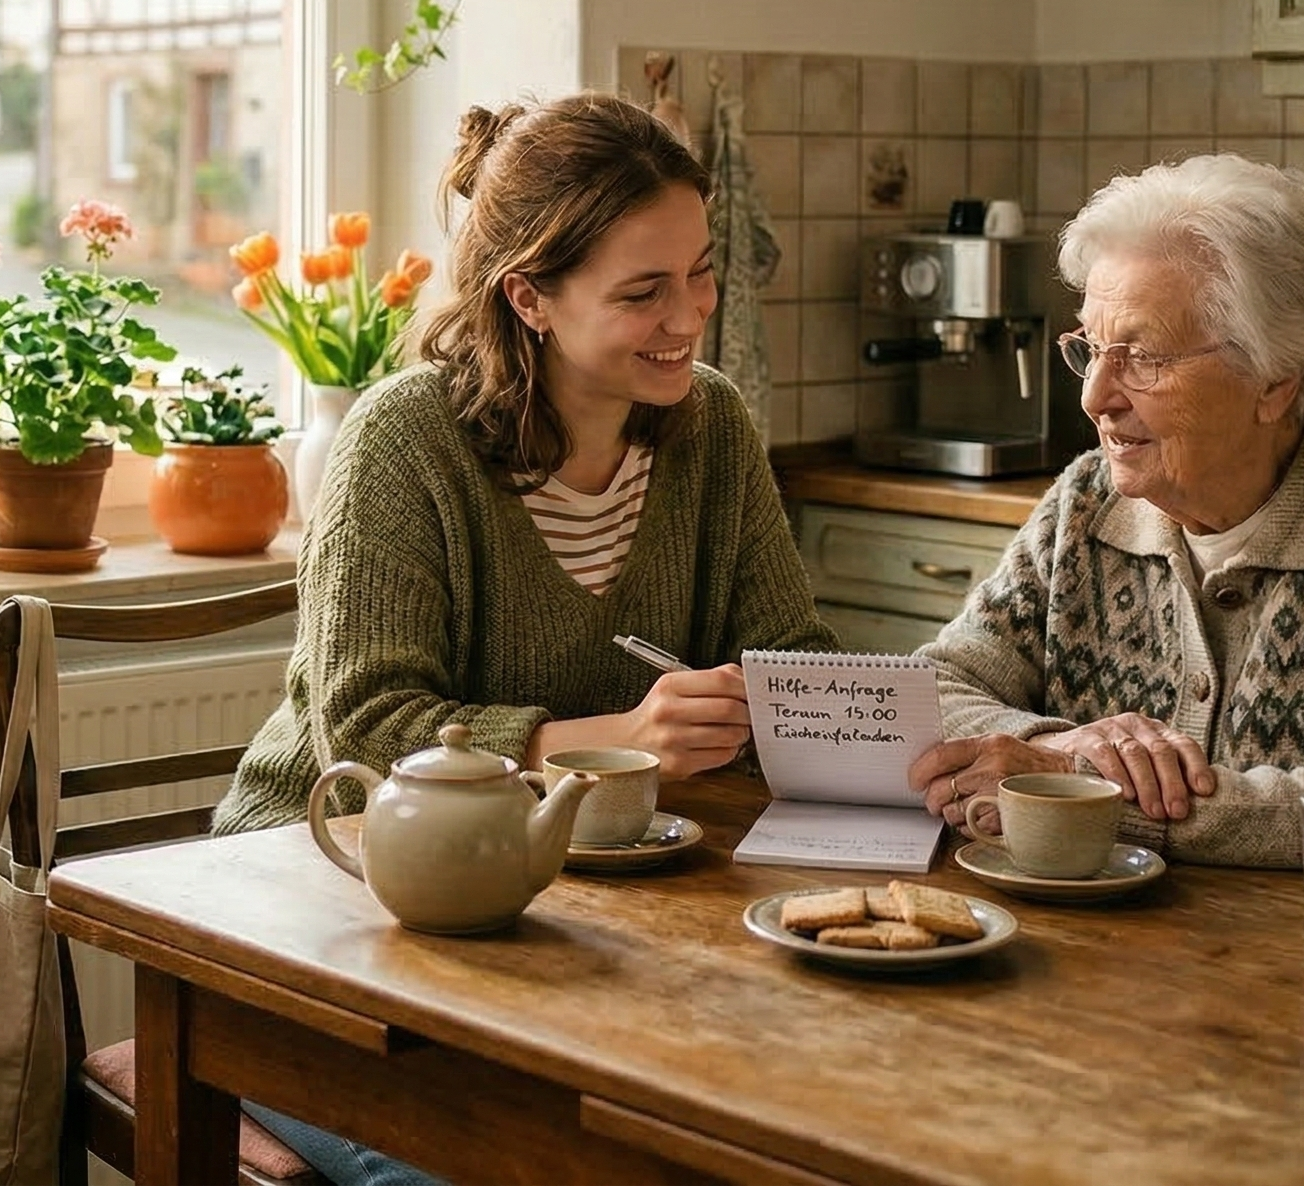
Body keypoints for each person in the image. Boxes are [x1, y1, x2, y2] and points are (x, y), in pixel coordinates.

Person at [209, 92, 838, 1186]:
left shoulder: (714, 428)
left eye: (699, 272)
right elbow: (366, 730)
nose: (688, 316)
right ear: (528, 299)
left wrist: (824, 707)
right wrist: (617, 741)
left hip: (566, 920)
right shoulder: (404, 442)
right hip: (321, 898)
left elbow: (794, 650)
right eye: (642, 292)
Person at [904, 153, 1304, 899]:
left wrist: (1091, 788)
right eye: (1090, 350)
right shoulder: (1087, 504)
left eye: (1140, 357)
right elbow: (938, 687)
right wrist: (1058, 748)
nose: (1096, 398)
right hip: (1164, 967)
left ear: (1277, 380)